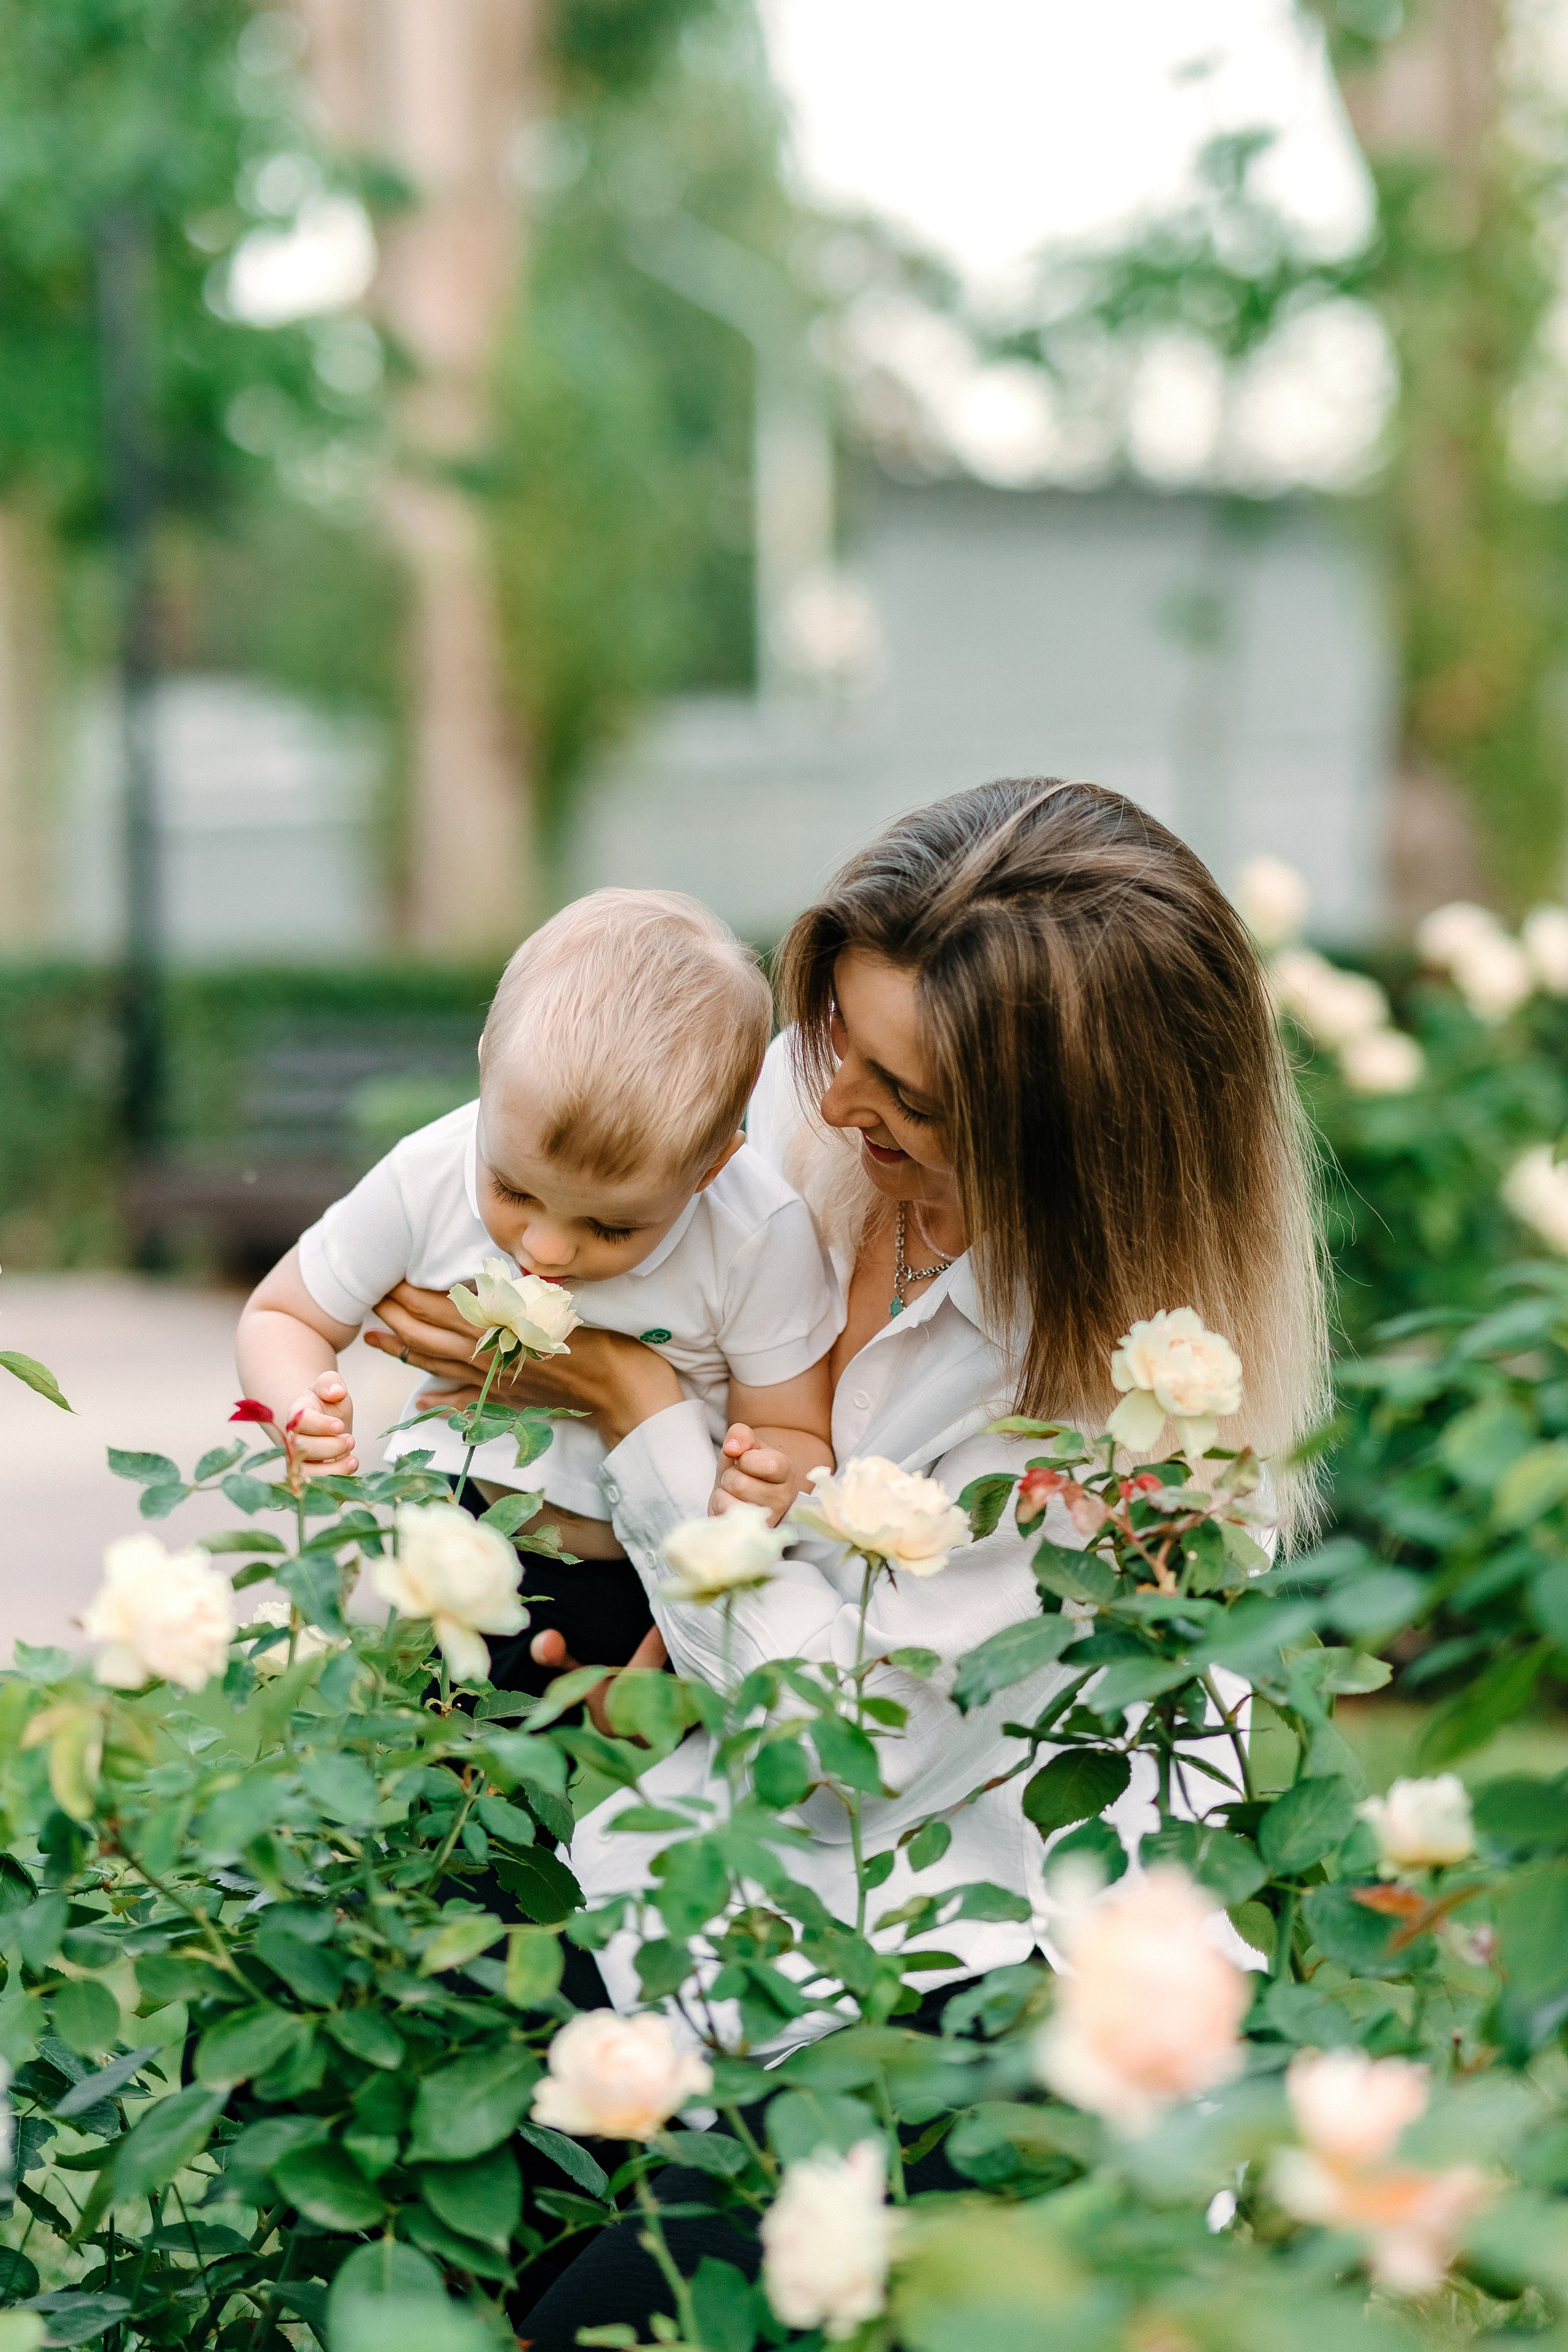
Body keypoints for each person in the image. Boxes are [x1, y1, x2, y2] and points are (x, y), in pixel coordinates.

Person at [362, 779, 1329, 2341]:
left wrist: (635, 1415)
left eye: (906, 1096)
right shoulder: (806, 1173)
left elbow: (840, 1757)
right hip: (671, 1894)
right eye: (835, 1046)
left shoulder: (1133, 1420)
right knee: (395, 2192)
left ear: (1066, 1144)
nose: (828, 1112)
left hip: (945, 1993)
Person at [236, 888, 841, 1682]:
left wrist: (767, 1479)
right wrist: (301, 1414)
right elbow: (284, 1313)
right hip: (458, 1533)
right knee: (437, 1768)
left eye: (614, 1228)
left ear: (712, 1167)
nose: (549, 1249)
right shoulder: (429, 1173)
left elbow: (795, 1433)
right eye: (515, 1191)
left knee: (619, 1793)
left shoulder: (756, 1234)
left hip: (642, 1577)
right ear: (486, 1067)